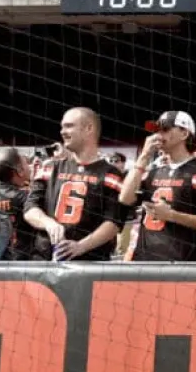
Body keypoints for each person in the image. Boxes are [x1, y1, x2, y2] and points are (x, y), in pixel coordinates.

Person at [23, 108, 127, 262]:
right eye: (62, 127)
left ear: (89, 128)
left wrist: (81, 246)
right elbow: (29, 208)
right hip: (44, 260)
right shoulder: (50, 167)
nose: (62, 132)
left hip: (89, 263)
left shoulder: (110, 174)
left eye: (69, 126)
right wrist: (48, 223)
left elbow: (113, 223)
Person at [118, 111, 196, 263]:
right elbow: (125, 198)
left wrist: (172, 216)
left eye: (165, 129)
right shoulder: (152, 172)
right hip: (143, 262)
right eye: (157, 130)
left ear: (184, 133)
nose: (159, 135)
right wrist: (144, 156)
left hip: (182, 266)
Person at [0, 148, 44, 261]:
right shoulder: (25, 198)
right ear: (19, 170)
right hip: (20, 262)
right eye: (27, 163)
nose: (30, 166)